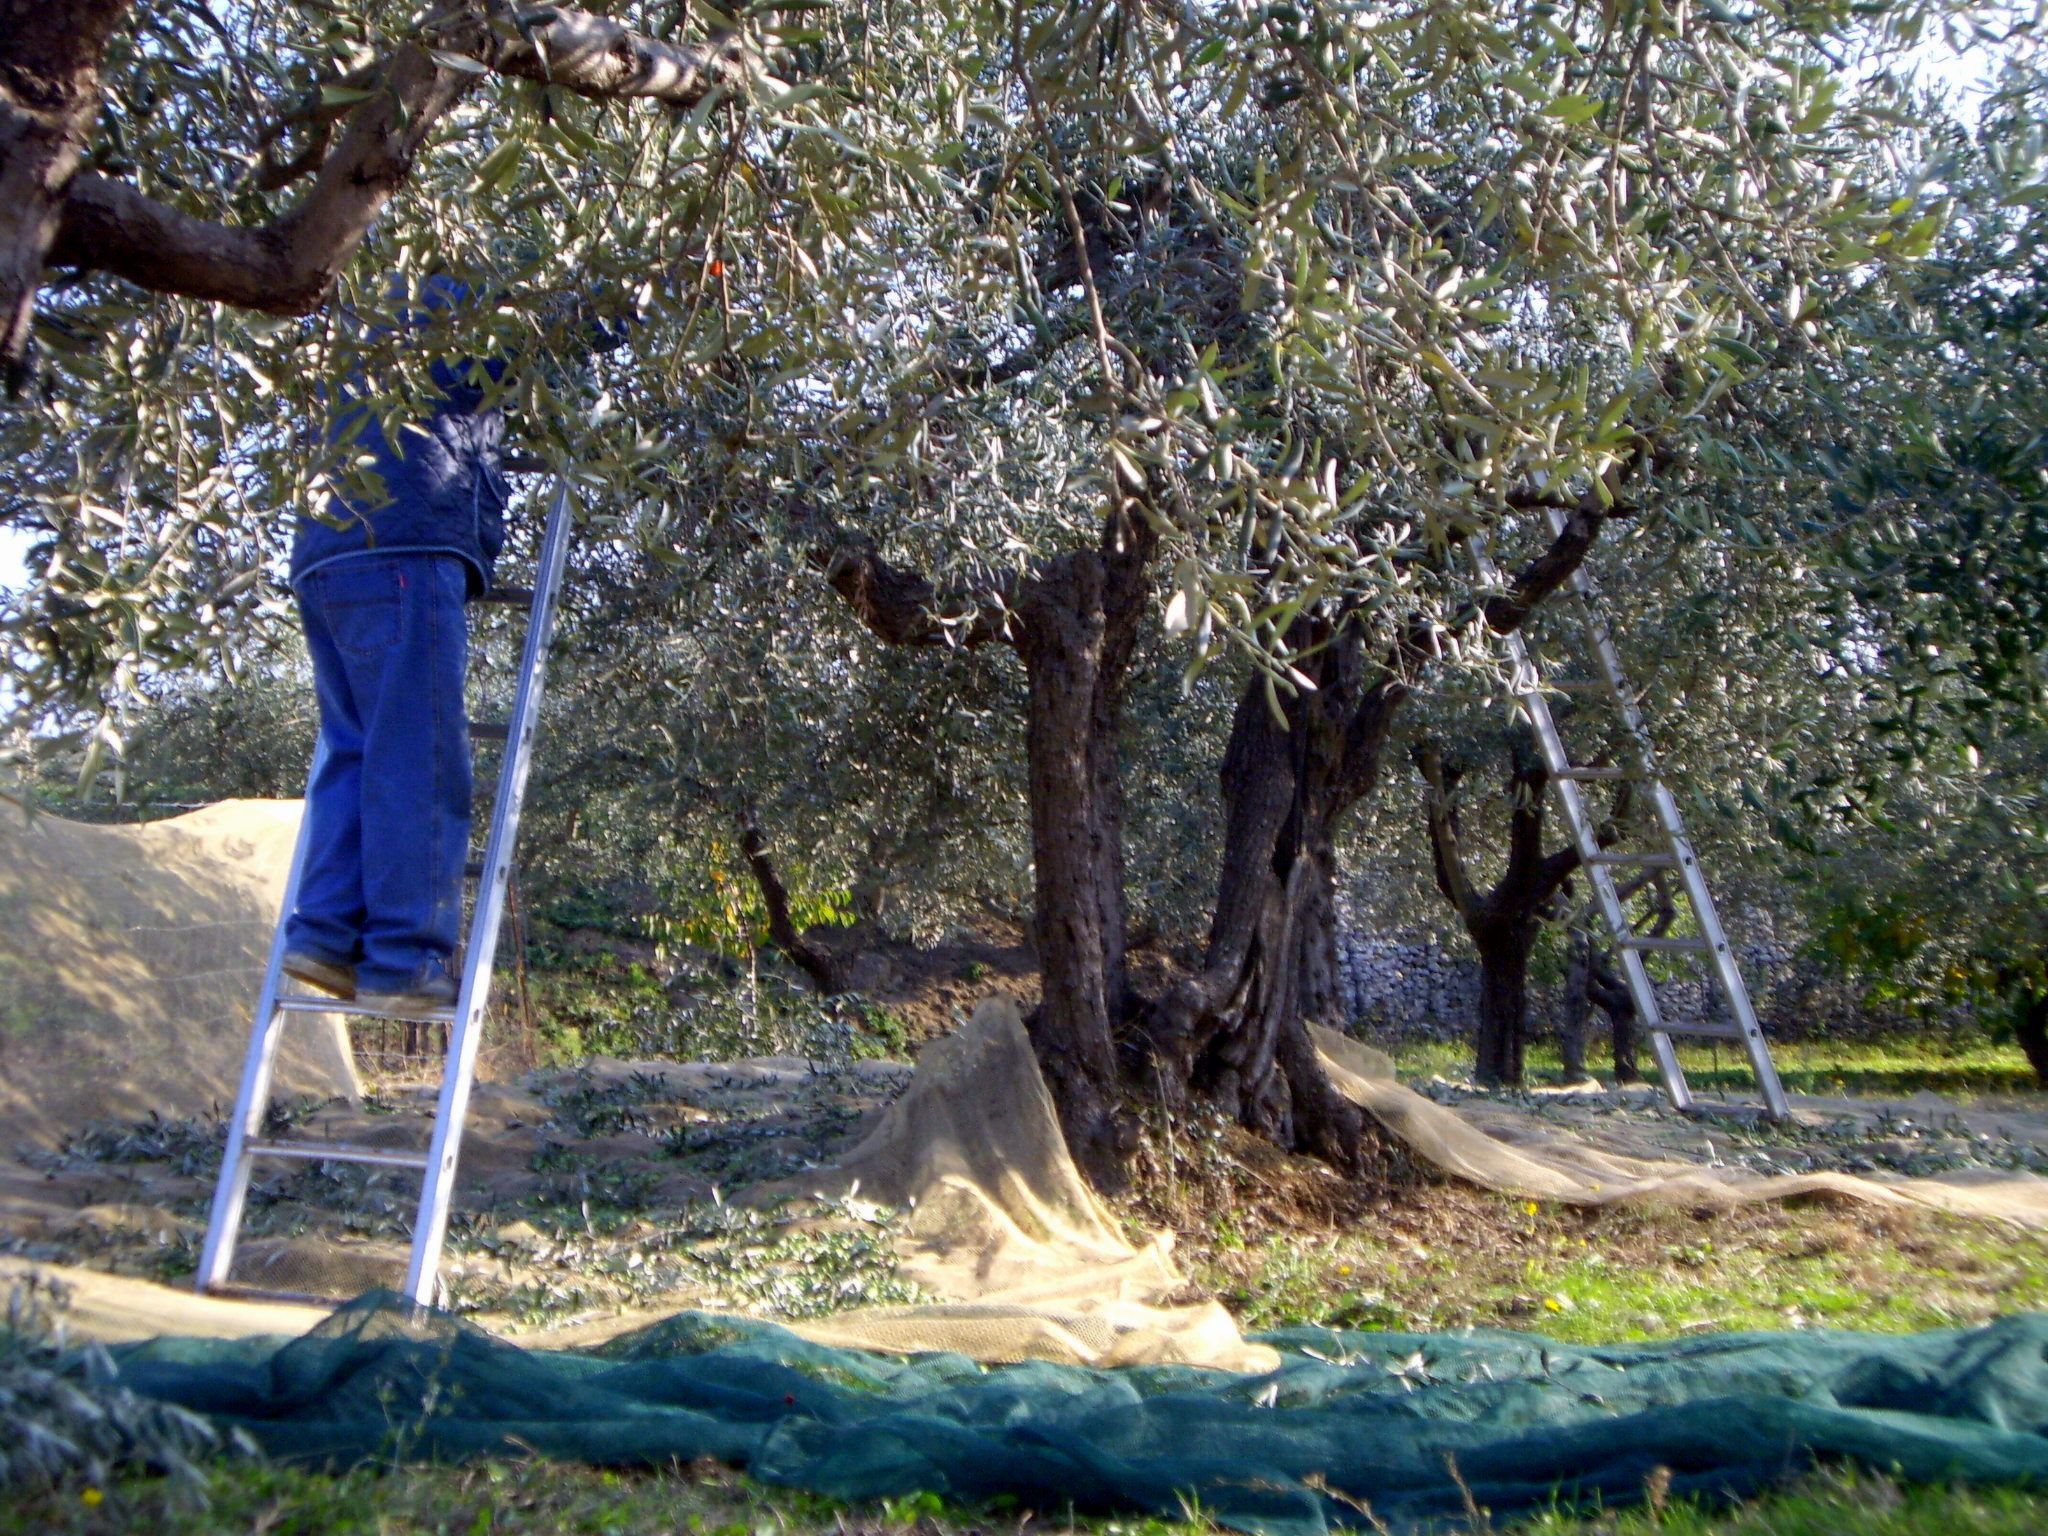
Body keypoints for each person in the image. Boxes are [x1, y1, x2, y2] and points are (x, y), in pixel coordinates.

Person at [280, 272, 507, 1019]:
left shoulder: (363, 297)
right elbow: (546, 340)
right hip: (403, 546)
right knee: (417, 753)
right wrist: (649, 286)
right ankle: (404, 958)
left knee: (355, 746)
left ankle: (323, 932)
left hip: (325, 554)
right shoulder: (457, 283)